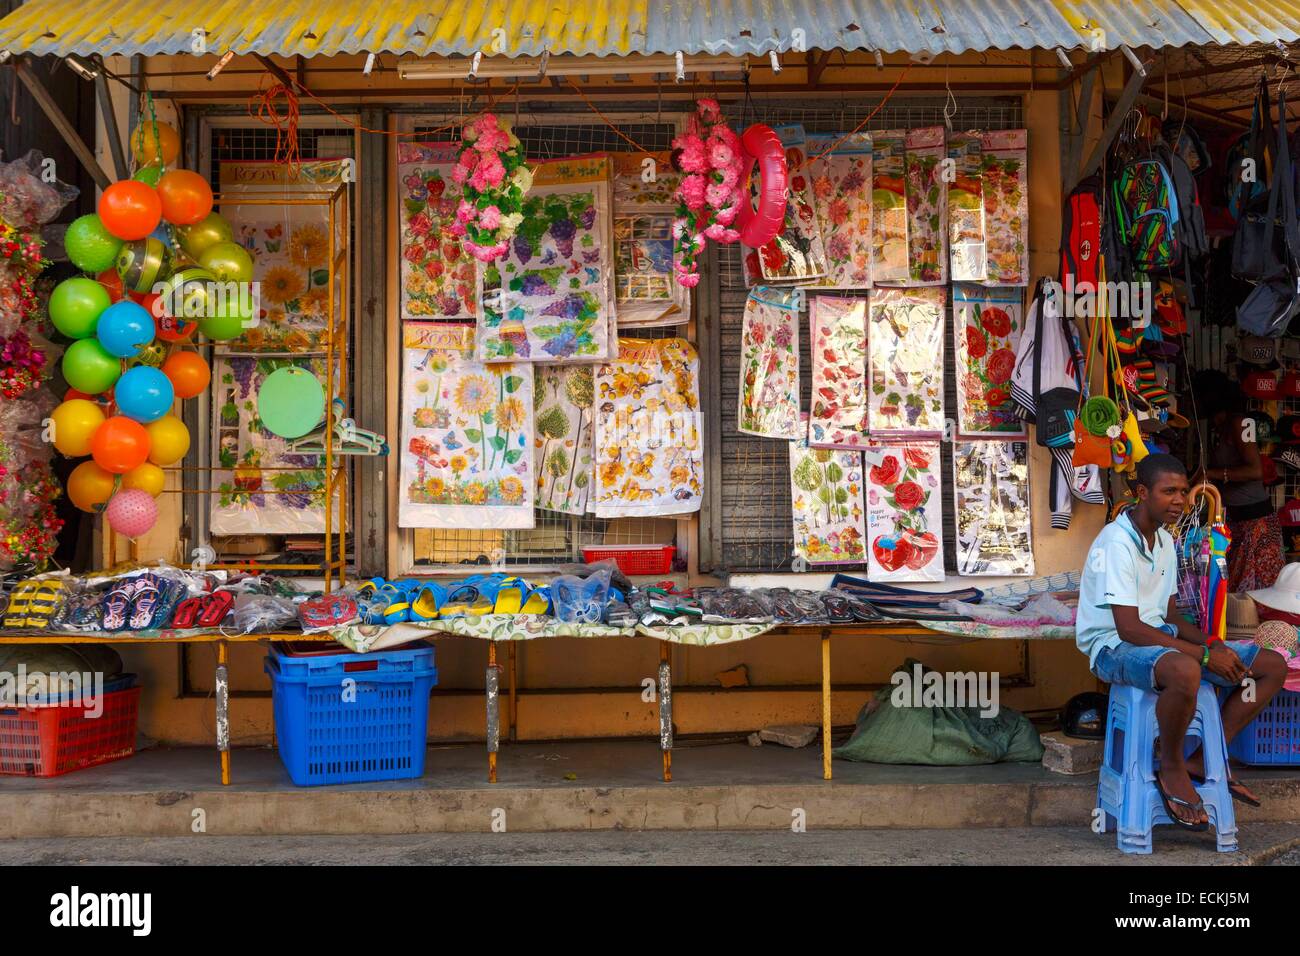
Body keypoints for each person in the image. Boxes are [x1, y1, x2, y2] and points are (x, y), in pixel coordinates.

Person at [1076, 453, 1287, 831]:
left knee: (1269, 668)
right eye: (1168, 491)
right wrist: (1205, 656)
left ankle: (1205, 757)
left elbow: (1171, 617)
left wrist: (1214, 645)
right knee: (1186, 670)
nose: (1180, 500)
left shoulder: (1162, 541)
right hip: (1112, 649)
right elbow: (1130, 629)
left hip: (1159, 638)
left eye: (1184, 492)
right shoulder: (1115, 543)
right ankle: (1172, 765)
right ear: (1142, 492)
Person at [1191, 369, 1284, 592]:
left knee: (1255, 597)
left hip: (1257, 525)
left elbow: (1255, 470)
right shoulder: (1220, 429)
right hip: (1238, 524)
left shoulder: (1242, 423)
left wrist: (1212, 474)